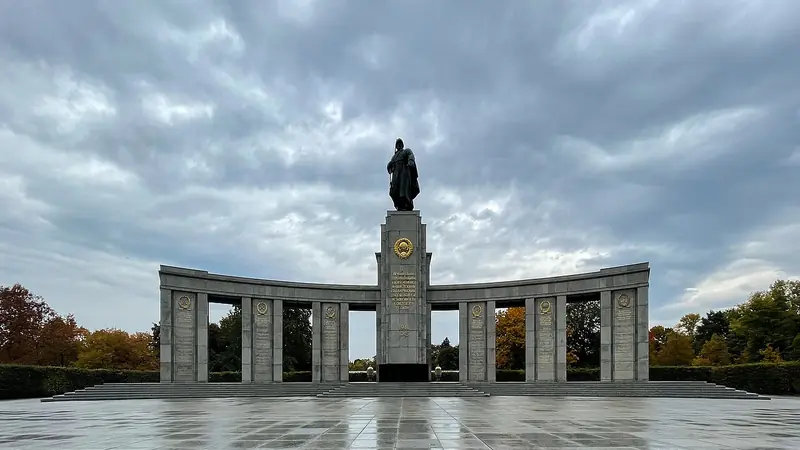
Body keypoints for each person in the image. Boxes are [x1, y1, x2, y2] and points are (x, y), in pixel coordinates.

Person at [387, 138, 420, 211]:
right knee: (394, 190)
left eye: (400, 144)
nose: (399, 145)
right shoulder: (394, 157)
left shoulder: (406, 151)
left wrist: (411, 161)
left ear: (402, 145)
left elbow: (411, 155)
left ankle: (405, 204)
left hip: (404, 172)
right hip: (396, 174)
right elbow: (391, 165)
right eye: (397, 144)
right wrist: (389, 165)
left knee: (403, 189)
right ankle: (398, 204)